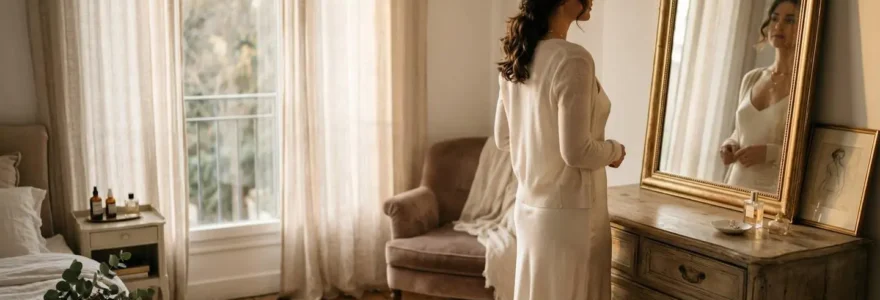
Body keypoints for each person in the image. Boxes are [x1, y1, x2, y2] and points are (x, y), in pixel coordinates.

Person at [494, 0, 624, 299]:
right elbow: (577, 152)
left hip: (530, 207)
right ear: (567, 1)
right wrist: (614, 151)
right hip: (571, 214)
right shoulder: (573, 58)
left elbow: (504, 138)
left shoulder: (519, 56)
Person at [720, 0, 800, 193]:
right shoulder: (752, 78)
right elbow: (740, 132)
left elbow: (806, 151)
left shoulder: (802, 86)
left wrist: (770, 153)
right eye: (774, 18)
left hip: (771, 196)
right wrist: (729, 145)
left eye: (789, 20)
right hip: (735, 185)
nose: (778, 26)